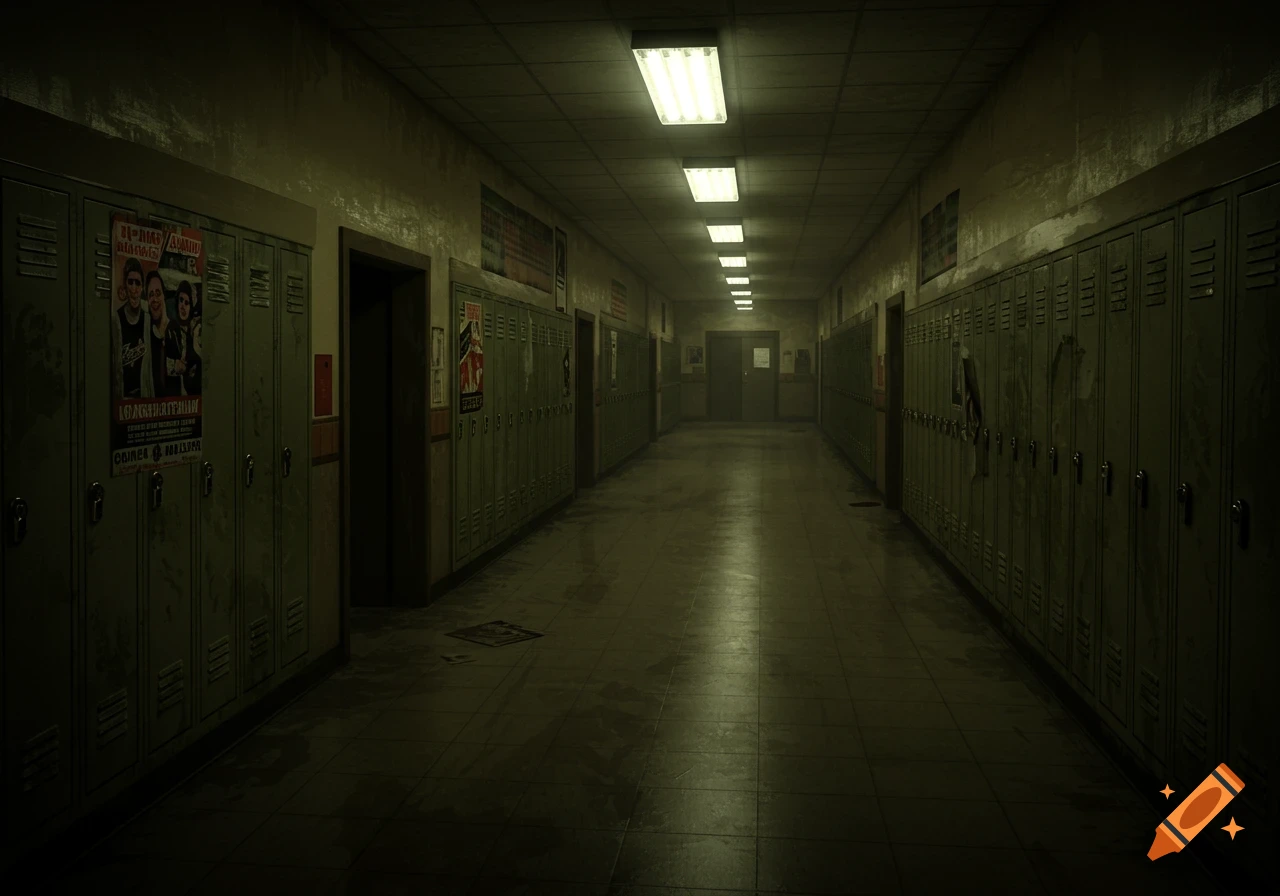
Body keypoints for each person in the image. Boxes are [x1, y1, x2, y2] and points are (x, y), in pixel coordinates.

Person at [112, 257, 154, 399]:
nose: (134, 289)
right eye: (130, 282)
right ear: (125, 285)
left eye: (138, 283)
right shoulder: (117, 319)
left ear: (142, 288)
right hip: (122, 399)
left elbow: (149, 368)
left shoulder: (147, 320)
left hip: (142, 399)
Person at [145, 270, 181, 397]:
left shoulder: (175, 329)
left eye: (158, 293)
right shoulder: (147, 333)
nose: (155, 299)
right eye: (150, 295)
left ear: (164, 295)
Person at [165, 280, 201, 396]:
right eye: (180, 300)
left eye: (187, 303)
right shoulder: (171, 328)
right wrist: (175, 365)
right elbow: (164, 363)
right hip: (175, 392)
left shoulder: (195, 330)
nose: (182, 306)